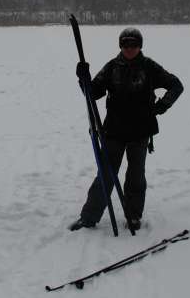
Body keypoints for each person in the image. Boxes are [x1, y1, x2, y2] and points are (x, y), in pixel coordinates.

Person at [69, 27, 183, 231]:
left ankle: (133, 216)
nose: (130, 49)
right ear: (120, 46)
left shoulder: (149, 67)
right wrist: (83, 78)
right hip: (114, 130)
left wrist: (160, 107)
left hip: (140, 131)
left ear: (140, 46)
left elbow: (176, 85)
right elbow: (93, 93)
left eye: (134, 45)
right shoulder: (112, 67)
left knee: (136, 175)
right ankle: (89, 217)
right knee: (106, 174)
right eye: (125, 44)